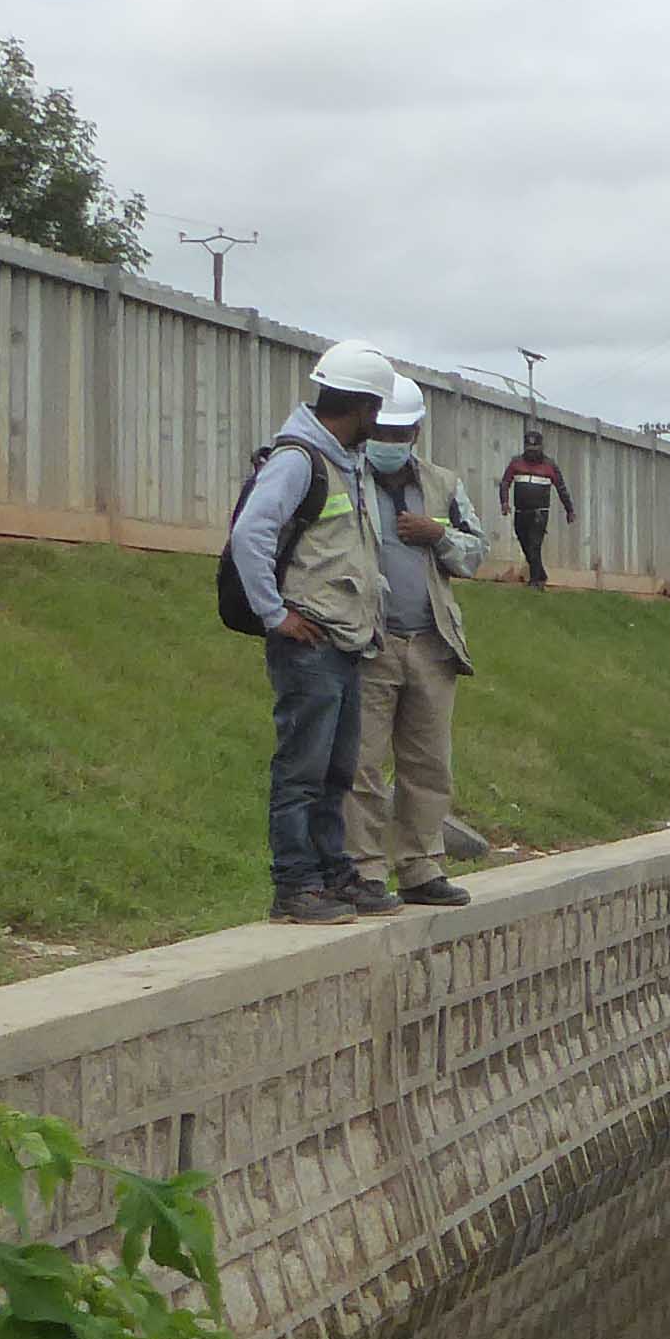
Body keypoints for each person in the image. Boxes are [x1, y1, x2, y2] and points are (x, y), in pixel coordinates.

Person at [229, 341, 404, 924]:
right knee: (302, 769)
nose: (378, 425)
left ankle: (334, 875)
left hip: (345, 643)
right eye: (376, 411)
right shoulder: (300, 459)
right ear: (360, 407)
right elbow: (251, 534)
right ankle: (295, 885)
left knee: (336, 770)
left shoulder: (341, 462)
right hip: (309, 644)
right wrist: (275, 614)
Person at [352, 368, 490, 905]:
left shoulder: (442, 484)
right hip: (369, 641)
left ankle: (419, 866)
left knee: (428, 763)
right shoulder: (345, 478)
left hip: (432, 643)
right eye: (381, 433)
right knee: (361, 761)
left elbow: (476, 551)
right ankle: (363, 870)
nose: (389, 443)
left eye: (398, 434)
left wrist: (438, 535)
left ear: (414, 432)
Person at [498, 428, 574, 588]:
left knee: (534, 545)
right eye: (529, 449)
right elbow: (505, 482)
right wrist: (504, 502)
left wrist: (569, 510)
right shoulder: (516, 463)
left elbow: (561, 488)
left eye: (535, 449)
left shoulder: (550, 465)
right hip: (520, 512)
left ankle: (535, 582)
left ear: (541, 448)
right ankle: (541, 574)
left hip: (540, 512)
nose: (532, 453)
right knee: (524, 543)